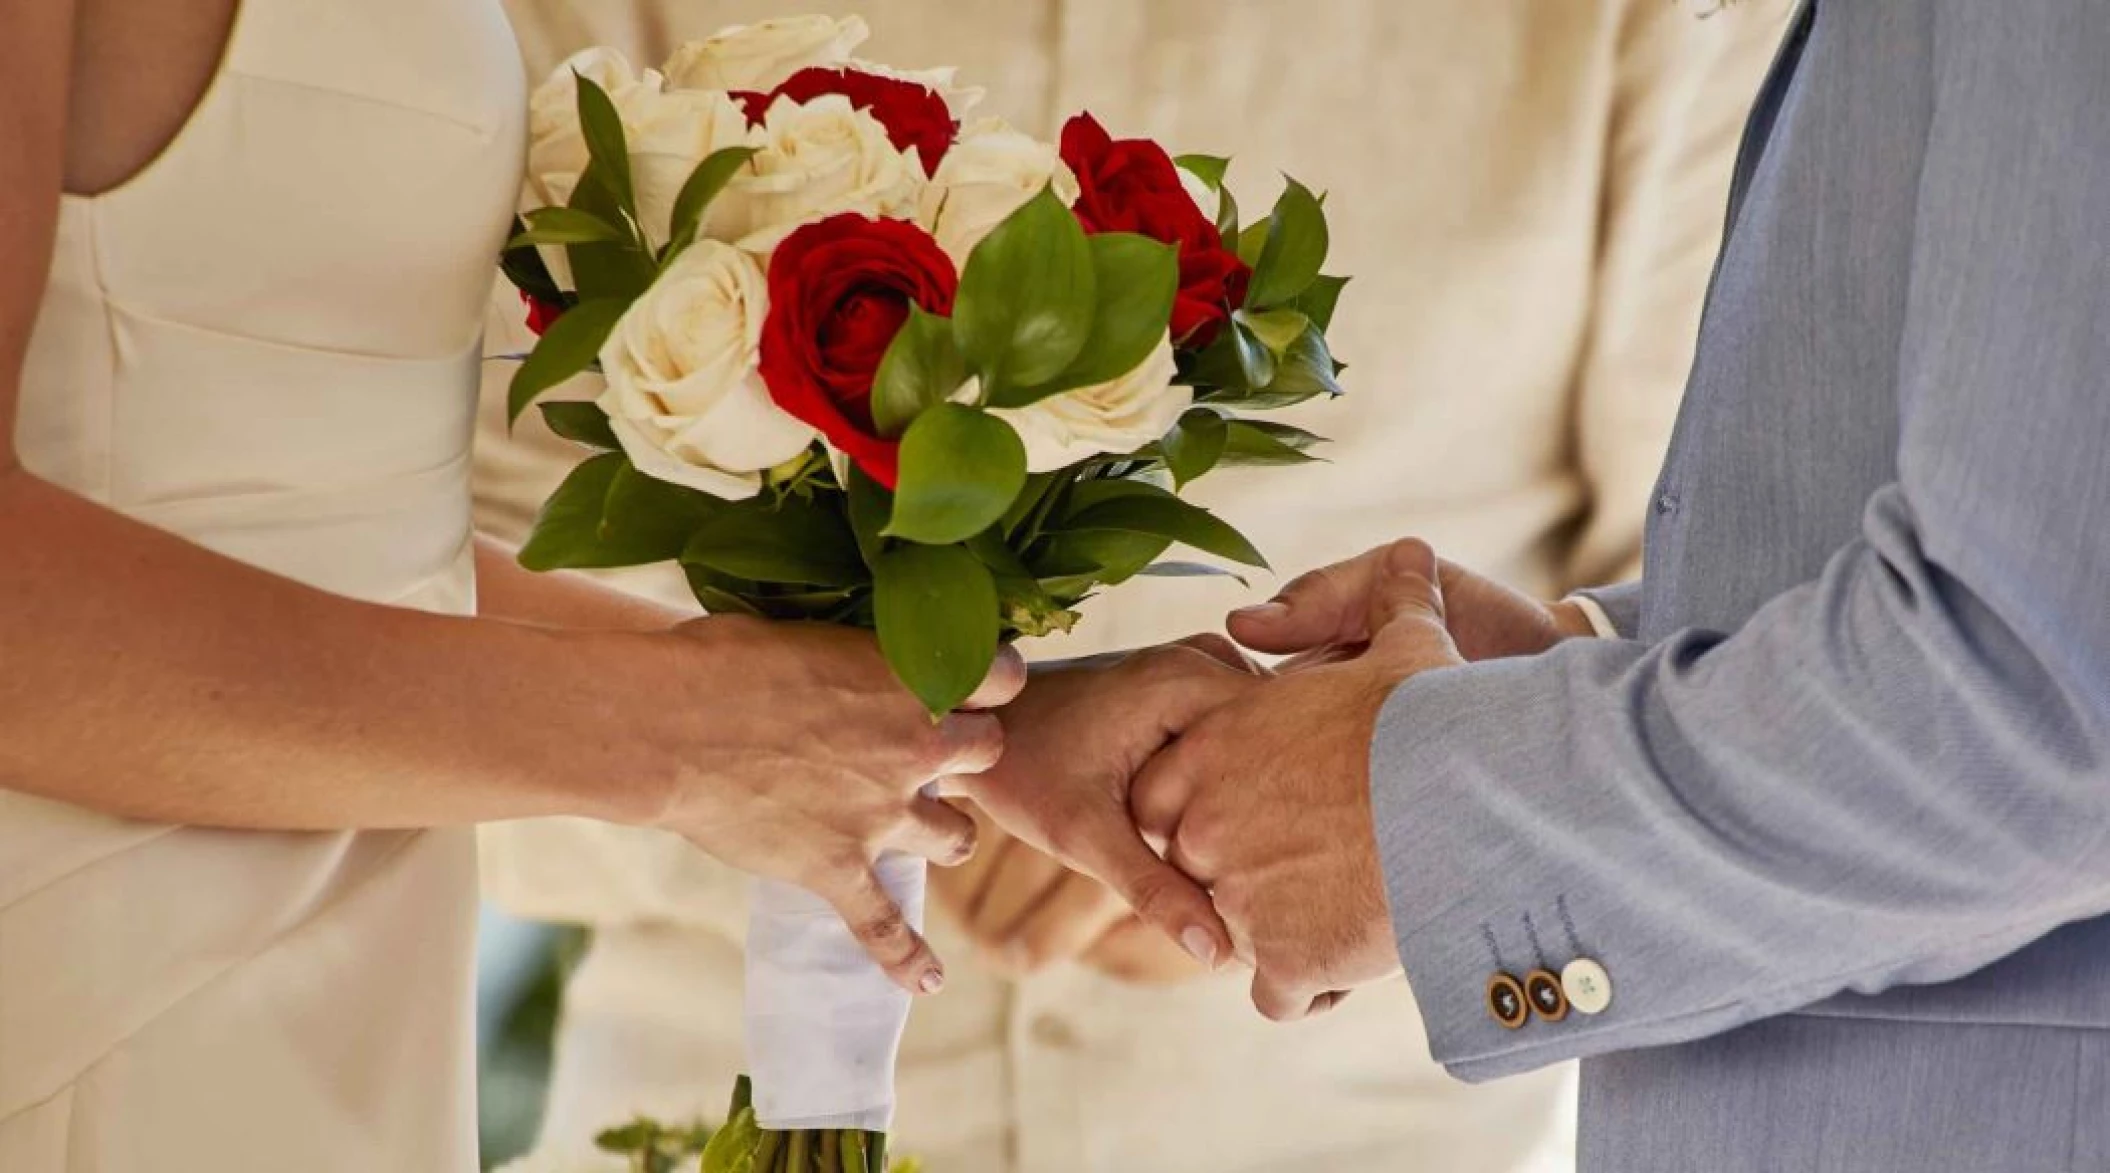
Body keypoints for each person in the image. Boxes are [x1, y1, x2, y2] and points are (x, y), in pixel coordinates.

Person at [477, 3, 1788, 1169]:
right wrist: (899, 785)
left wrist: (1354, 825)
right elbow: (430, 641)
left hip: (1378, 1125)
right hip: (691, 1090)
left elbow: (1722, 641)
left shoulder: (1638, 23)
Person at [975, 1, 2110, 1169]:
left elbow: (2048, 690)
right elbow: (1807, 536)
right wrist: (1537, 667)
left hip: (1365, 1112)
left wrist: (1395, 812)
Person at [0, 3, 1021, 1169]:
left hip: (349, 976)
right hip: (102, 977)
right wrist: (685, 743)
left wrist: (927, 736)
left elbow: (330, 527)